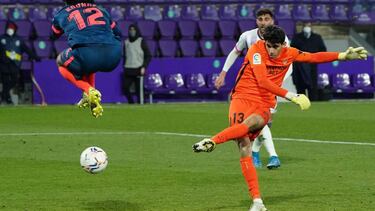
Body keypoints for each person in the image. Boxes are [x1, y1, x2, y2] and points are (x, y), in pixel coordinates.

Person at [193, 25, 367, 211]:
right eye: (269, 45)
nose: (272, 50)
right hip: (242, 97)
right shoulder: (257, 50)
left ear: (283, 45)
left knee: (253, 124)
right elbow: (262, 81)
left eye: (275, 46)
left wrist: (342, 56)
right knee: (243, 145)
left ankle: (213, 141)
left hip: (264, 102)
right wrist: (292, 96)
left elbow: (312, 57)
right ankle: (257, 201)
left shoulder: (289, 52)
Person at [215, 8, 289, 169]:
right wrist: (223, 73)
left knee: (264, 124)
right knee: (261, 123)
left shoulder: (282, 39)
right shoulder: (248, 36)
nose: (263, 22)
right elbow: (234, 53)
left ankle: (256, 153)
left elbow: (288, 62)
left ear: (272, 21)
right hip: (252, 89)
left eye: (267, 19)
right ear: (256, 21)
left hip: (270, 87)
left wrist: (278, 82)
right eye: (260, 19)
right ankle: (273, 156)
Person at [51, 0, 122, 117]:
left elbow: (54, 34)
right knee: (87, 65)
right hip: (114, 53)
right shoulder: (102, 10)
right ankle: (89, 95)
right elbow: (117, 32)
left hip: (87, 53)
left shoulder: (62, 14)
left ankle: (88, 89)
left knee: (60, 61)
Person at [0, 21, 40, 105]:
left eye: (12, 28)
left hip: (15, 63)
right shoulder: (1, 38)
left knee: (14, 80)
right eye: (9, 28)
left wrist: (35, 57)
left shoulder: (19, 39)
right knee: (5, 82)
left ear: (15, 29)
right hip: (3, 63)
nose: (10, 30)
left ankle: (4, 95)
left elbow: (27, 50)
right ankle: (7, 99)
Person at [291, 22, 327, 101]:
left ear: (311, 27)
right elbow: (292, 50)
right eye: (305, 26)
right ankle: (301, 104)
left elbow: (323, 50)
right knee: (300, 88)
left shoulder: (317, 38)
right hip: (299, 66)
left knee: (313, 88)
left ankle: (314, 106)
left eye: (309, 26)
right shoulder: (297, 37)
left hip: (312, 65)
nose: (307, 27)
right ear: (303, 27)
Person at [123, 24, 151, 104]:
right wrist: (124, 66)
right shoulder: (126, 42)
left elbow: (148, 56)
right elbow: (125, 55)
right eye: (130, 30)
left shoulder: (141, 41)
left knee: (139, 90)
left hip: (138, 68)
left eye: (133, 30)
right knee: (125, 88)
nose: (132, 32)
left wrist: (144, 67)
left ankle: (141, 104)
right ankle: (131, 103)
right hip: (128, 68)